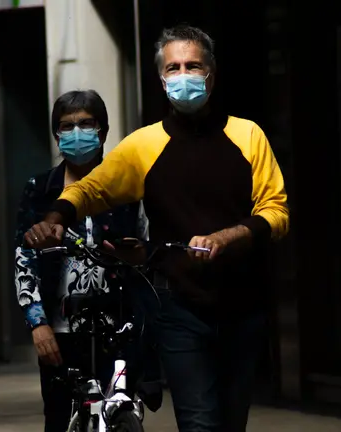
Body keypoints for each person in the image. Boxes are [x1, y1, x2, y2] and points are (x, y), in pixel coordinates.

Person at [25, 25, 290, 432]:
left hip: (243, 307)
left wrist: (228, 236)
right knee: (199, 422)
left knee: (231, 422)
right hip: (181, 307)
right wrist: (57, 217)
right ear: (162, 79)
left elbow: (276, 212)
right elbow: (93, 189)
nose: (183, 75)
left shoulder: (247, 134)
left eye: (193, 66)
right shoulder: (143, 145)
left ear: (211, 75)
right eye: (174, 68)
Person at [15, 90, 152, 432]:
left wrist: (137, 255)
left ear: (103, 131)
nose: (77, 133)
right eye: (67, 126)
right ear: (57, 135)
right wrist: (38, 323)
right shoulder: (40, 190)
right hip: (61, 332)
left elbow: (149, 251)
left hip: (119, 327)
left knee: (120, 414)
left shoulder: (128, 186)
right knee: (60, 420)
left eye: (86, 124)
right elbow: (24, 260)